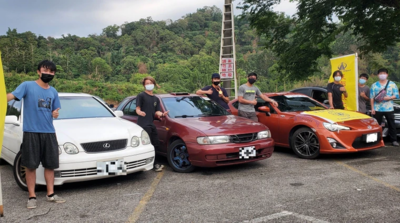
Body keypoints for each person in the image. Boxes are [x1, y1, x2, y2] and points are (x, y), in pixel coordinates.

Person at [6, 60, 65, 209]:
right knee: (30, 166)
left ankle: (50, 194)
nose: (48, 74)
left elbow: (55, 111)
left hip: (49, 132)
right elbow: (10, 96)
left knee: (50, 165)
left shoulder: (53, 91)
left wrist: (55, 113)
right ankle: (32, 196)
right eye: (46, 71)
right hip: (31, 132)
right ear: (38, 71)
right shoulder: (27, 85)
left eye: (52, 72)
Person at [136, 76, 169, 171]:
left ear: (153, 84)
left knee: (156, 144)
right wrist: (140, 112)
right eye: (146, 83)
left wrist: (163, 114)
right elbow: (137, 108)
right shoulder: (141, 96)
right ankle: (143, 165)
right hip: (143, 124)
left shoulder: (156, 99)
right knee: (145, 145)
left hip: (151, 123)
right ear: (144, 85)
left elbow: (157, 112)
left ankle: (155, 164)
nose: (148, 85)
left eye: (150, 83)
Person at [370, 68, 400, 146]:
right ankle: (376, 141)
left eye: (384, 73)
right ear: (378, 75)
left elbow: (397, 95)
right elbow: (371, 97)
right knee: (377, 125)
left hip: (389, 108)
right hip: (377, 108)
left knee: (391, 124)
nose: (382, 75)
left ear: (387, 74)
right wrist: (372, 108)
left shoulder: (392, 84)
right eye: (380, 73)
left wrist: (389, 98)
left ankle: (394, 140)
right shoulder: (374, 85)